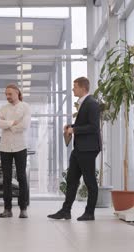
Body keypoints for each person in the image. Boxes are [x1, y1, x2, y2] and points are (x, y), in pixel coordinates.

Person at [48, 77, 101, 221]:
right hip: (79, 149)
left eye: (75, 87)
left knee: (90, 181)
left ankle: (89, 213)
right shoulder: (84, 104)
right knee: (71, 180)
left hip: (88, 149)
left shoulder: (92, 103)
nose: (73, 89)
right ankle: (66, 211)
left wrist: (74, 130)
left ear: (83, 88)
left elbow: (94, 127)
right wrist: (71, 127)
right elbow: (86, 124)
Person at [0, 84, 31, 218]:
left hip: (20, 146)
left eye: (10, 94)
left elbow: (25, 125)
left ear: (17, 93)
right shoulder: (3, 108)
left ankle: (23, 209)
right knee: (6, 178)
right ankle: (7, 209)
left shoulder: (25, 107)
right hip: (4, 147)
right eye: (6, 94)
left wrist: (8, 124)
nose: (7, 97)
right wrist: (13, 123)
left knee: (21, 177)